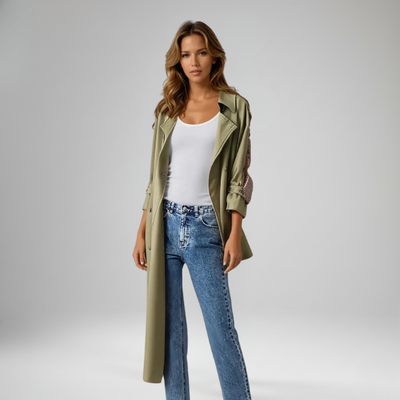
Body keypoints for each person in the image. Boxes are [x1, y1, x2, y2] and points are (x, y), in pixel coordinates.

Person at [133, 20, 254, 400]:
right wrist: (141, 230)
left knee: (221, 329)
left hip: (206, 229)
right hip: (164, 225)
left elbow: (239, 178)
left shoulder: (235, 107)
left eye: (201, 52)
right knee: (170, 331)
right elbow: (156, 178)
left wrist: (234, 234)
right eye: (186, 55)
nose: (194, 61)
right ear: (178, 61)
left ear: (214, 56)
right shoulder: (168, 108)